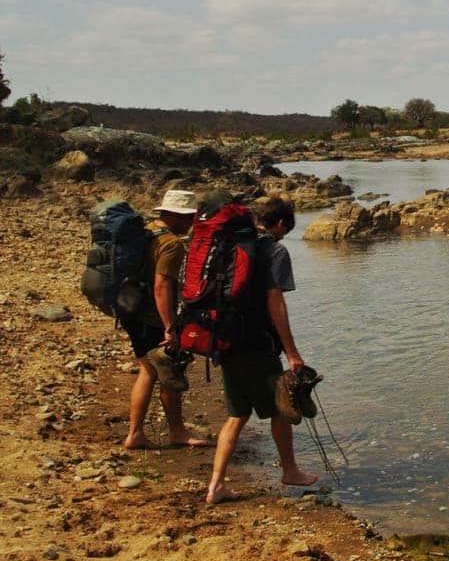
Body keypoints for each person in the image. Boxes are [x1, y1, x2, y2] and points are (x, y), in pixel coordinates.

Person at [207, 196, 317, 503]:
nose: (284, 235)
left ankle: (215, 485)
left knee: (237, 415)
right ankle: (290, 470)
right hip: (255, 345)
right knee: (280, 409)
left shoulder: (228, 244)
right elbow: (275, 303)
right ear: (281, 224)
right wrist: (291, 352)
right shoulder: (275, 250)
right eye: (286, 229)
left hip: (225, 340)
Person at [122, 189, 210, 449]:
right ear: (174, 216)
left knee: (148, 370)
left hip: (132, 311)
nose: (192, 222)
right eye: (188, 217)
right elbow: (162, 286)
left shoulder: (148, 232)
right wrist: (170, 327)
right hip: (152, 317)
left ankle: (135, 433)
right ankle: (177, 432)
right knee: (168, 369)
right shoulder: (171, 244)